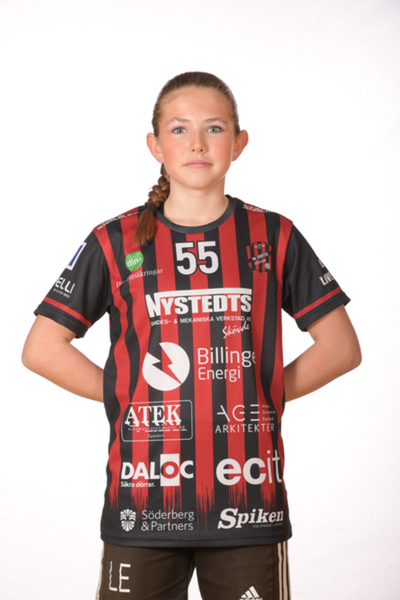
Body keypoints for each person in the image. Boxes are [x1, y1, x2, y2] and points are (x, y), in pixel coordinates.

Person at [22, 71, 361, 600]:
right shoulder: (114, 240)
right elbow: (42, 349)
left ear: (239, 143)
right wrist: (128, 391)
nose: (197, 143)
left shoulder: (273, 235)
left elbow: (341, 348)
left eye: (215, 128)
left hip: (248, 502)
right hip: (143, 502)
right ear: (155, 145)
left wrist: (257, 391)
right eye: (179, 129)